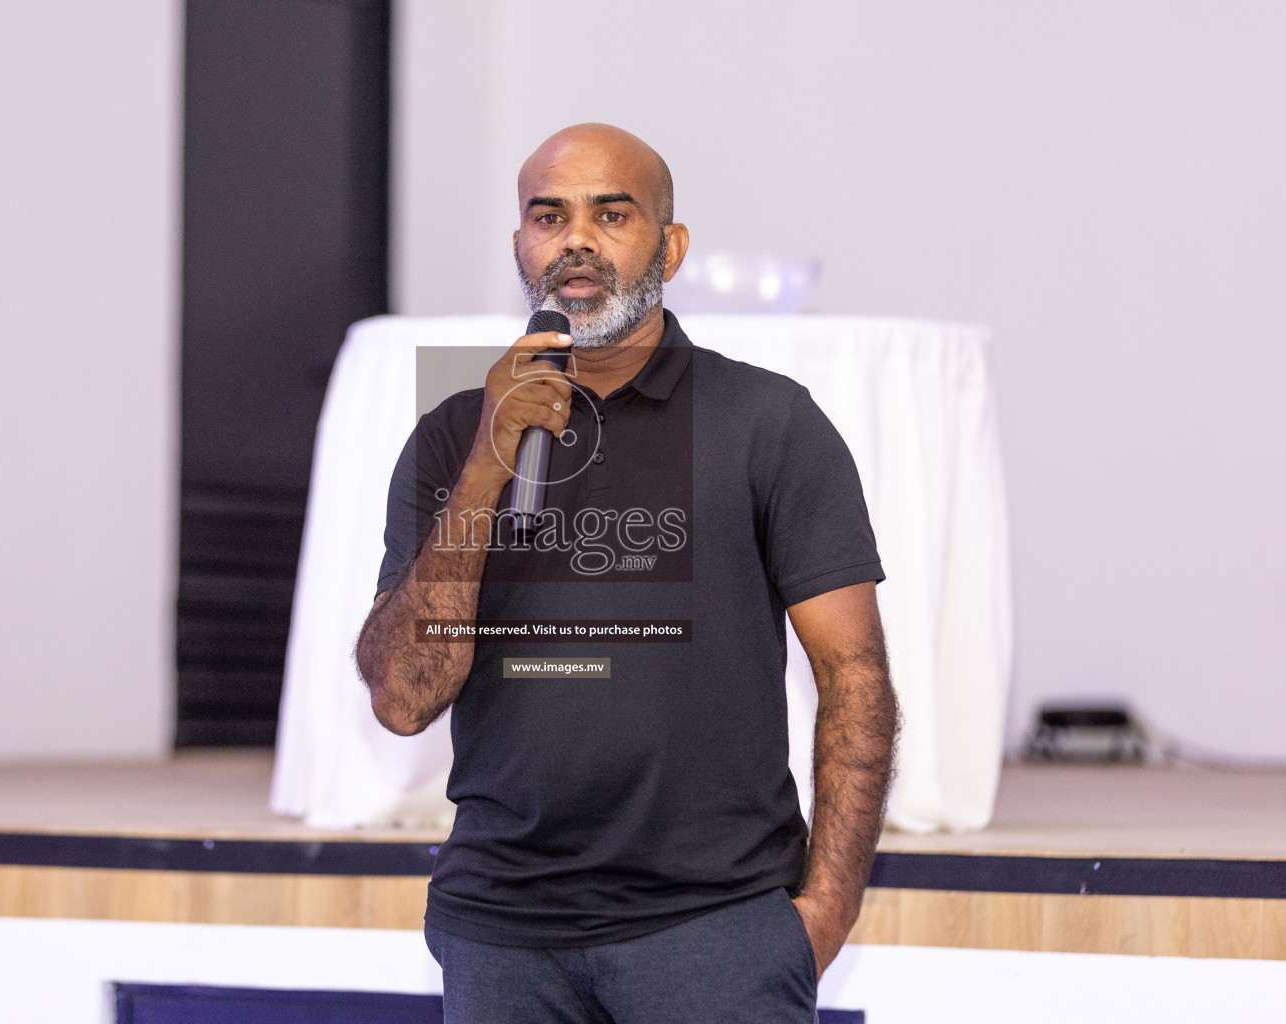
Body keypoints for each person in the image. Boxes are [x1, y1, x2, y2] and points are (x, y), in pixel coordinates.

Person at [355, 123, 898, 1023]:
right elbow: (404, 698)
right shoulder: (455, 434)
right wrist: (489, 464)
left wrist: (825, 912)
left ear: (669, 246)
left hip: (713, 932)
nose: (576, 240)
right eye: (548, 215)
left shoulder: (768, 421)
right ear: (521, 246)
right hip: (501, 935)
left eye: (612, 213)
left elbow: (856, 678)